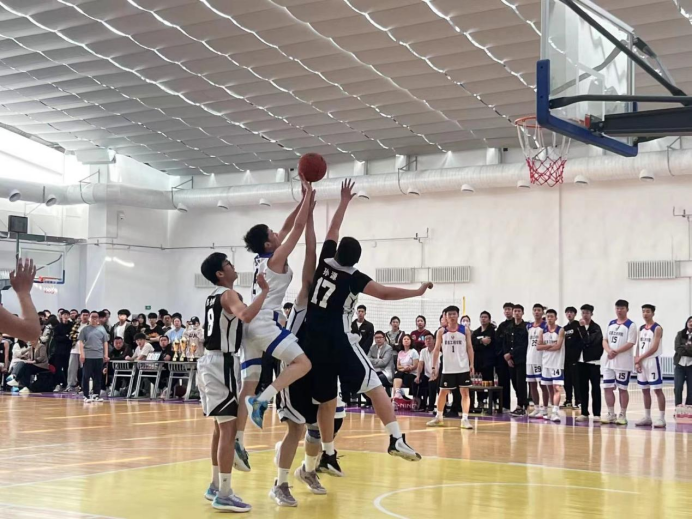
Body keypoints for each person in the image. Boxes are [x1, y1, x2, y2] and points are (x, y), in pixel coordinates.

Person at [301, 179, 431, 475]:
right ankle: (396, 439)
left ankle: (328, 454)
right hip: (338, 340)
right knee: (375, 386)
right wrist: (417, 291)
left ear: (337, 252)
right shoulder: (353, 278)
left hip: (312, 343)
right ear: (356, 261)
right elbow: (384, 293)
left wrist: (343, 202)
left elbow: (332, 230)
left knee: (327, 401)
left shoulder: (325, 261)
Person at [238, 184, 314, 439]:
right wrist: (308, 197)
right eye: (272, 232)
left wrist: (302, 202)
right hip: (263, 322)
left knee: (248, 384)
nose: (277, 232)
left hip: (249, 326)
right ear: (268, 242)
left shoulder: (263, 256)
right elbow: (298, 228)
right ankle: (263, 400)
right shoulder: (275, 258)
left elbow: (288, 225)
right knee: (302, 363)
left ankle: (238, 440)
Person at [199, 252, 269, 513]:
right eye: (228, 264)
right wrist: (264, 291)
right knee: (228, 431)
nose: (233, 266)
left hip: (210, 362)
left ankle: (215, 485)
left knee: (220, 428)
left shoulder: (212, 296)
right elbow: (246, 315)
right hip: (222, 363)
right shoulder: (229, 294)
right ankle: (225, 494)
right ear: (220, 273)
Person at [271, 198, 328, 505]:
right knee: (296, 428)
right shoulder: (305, 296)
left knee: (316, 429)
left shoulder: (333, 310)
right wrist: (310, 217)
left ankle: (307, 471)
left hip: (317, 371)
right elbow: (311, 252)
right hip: (293, 369)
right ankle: (279, 484)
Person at [427, 305, 474, 429]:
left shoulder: (465, 330)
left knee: (465, 392)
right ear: (445, 316)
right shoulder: (441, 331)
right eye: (449, 314)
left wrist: (471, 364)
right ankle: (439, 417)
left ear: (458, 315)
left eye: (454, 314)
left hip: (463, 367)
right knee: (443, 392)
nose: (452, 316)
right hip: (448, 368)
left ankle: (465, 419)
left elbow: (470, 348)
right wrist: (433, 367)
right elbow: (436, 349)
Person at [601, 299, 638, 425]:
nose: (619, 310)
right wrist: (608, 350)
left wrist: (616, 351)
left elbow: (631, 343)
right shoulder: (611, 323)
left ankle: (622, 414)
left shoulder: (631, 325)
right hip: (609, 362)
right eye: (617, 308)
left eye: (622, 308)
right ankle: (611, 413)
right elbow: (605, 340)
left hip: (623, 363)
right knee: (607, 388)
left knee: (622, 389)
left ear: (627, 309)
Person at [634, 304, 666, 428]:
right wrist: (637, 360)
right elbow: (638, 345)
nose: (645, 314)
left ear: (653, 313)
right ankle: (647, 417)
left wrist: (640, 358)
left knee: (657, 389)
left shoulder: (657, 328)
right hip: (642, 361)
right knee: (644, 389)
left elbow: (654, 348)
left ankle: (661, 418)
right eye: (643, 311)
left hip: (652, 361)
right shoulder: (641, 328)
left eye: (648, 311)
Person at [575, 304, 603, 422]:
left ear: (591, 314)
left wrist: (582, 329)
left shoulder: (596, 328)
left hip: (593, 362)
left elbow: (588, 341)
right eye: (583, 313)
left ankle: (597, 414)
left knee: (595, 388)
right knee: (582, 388)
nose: (585, 315)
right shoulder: (577, 327)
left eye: (587, 313)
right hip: (580, 362)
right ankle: (584, 412)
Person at [537, 309, 565, 423]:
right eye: (548, 316)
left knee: (557, 388)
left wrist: (545, 346)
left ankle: (555, 412)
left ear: (556, 318)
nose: (549, 318)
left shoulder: (560, 330)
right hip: (546, 363)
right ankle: (550, 410)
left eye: (551, 316)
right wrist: (549, 345)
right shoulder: (542, 331)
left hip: (557, 363)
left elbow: (558, 346)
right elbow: (538, 347)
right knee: (549, 389)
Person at [78, 311, 109, 403]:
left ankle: (96, 394)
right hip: (88, 355)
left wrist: (106, 354)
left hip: (99, 356)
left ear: (98, 318)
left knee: (98, 376)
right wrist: (82, 354)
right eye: (92, 317)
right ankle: (86, 395)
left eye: (96, 317)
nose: (94, 319)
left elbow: (105, 342)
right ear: (89, 318)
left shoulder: (102, 329)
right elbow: (81, 342)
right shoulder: (85, 329)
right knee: (86, 376)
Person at [504, 304, 529, 417]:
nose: (517, 313)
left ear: (522, 313)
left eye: (519, 311)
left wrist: (511, 354)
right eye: (515, 311)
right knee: (514, 382)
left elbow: (524, 344)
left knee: (521, 383)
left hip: (521, 359)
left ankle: (522, 405)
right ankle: (520, 403)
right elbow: (505, 342)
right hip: (510, 360)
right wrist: (507, 356)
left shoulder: (525, 327)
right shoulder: (509, 327)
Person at [526, 303, 549, 419]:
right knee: (532, 384)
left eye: (539, 310)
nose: (536, 312)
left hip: (540, 359)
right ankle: (536, 408)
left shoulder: (546, 326)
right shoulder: (529, 326)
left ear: (542, 312)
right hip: (529, 358)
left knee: (543, 384)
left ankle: (544, 409)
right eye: (535, 310)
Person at [471, 311, 496, 411]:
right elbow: (473, 343)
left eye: (485, 317)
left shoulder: (493, 331)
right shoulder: (476, 332)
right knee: (478, 382)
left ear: (489, 319)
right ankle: (480, 401)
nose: (483, 319)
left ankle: (492, 401)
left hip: (489, 361)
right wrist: (481, 341)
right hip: (478, 361)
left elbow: (491, 343)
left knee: (489, 381)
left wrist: (480, 343)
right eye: (482, 317)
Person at [494, 303, 514, 412]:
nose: (507, 311)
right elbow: (497, 342)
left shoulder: (518, 324)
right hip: (502, 359)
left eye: (509, 309)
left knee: (517, 383)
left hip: (514, 358)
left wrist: (510, 354)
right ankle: (504, 405)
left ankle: (521, 405)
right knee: (503, 383)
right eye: (505, 309)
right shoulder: (501, 326)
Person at [562, 306, 581, 409]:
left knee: (576, 381)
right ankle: (568, 399)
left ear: (575, 314)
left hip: (575, 359)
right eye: (567, 312)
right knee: (567, 380)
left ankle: (578, 401)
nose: (569, 314)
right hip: (566, 359)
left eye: (571, 312)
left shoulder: (578, 326)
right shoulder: (564, 328)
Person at [67, 309, 90, 392]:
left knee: (84, 369)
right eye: (83, 315)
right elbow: (71, 336)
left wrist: (80, 336)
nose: (85, 317)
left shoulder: (90, 326)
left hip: (85, 350)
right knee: (72, 368)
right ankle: (71, 385)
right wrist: (79, 336)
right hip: (74, 349)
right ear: (80, 316)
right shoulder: (76, 325)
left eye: (87, 315)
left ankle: (84, 386)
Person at [414, 334, 439, 412]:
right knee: (416, 382)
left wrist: (435, 375)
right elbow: (420, 364)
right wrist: (418, 376)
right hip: (427, 374)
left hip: (438, 374)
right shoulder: (423, 351)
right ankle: (420, 404)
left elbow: (440, 366)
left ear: (434, 340)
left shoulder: (438, 350)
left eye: (429, 338)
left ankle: (431, 406)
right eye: (426, 339)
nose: (428, 340)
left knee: (432, 383)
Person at [392, 334, 419, 400]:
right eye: (404, 339)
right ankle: (397, 395)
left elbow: (415, 366)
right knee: (397, 374)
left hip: (412, 374)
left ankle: (398, 393)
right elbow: (398, 366)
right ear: (402, 341)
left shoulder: (413, 351)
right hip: (403, 372)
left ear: (411, 341)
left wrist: (407, 368)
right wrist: (405, 368)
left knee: (398, 375)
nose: (406, 340)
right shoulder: (400, 352)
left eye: (408, 339)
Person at [52, 310, 73, 392]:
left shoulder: (72, 326)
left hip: (69, 350)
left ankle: (67, 384)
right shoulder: (57, 327)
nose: (65, 316)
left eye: (67, 315)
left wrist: (65, 337)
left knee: (67, 367)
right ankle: (58, 384)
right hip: (59, 350)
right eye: (64, 315)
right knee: (58, 368)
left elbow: (72, 338)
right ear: (61, 316)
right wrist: (66, 337)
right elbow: (56, 338)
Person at [674, 317, 692, 407]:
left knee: (691, 388)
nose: (691, 323)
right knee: (678, 387)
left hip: (691, 365)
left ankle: (689, 407)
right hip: (680, 364)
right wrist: (688, 347)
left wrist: (684, 346)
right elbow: (677, 348)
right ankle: (678, 407)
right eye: (690, 321)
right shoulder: (680, 334)